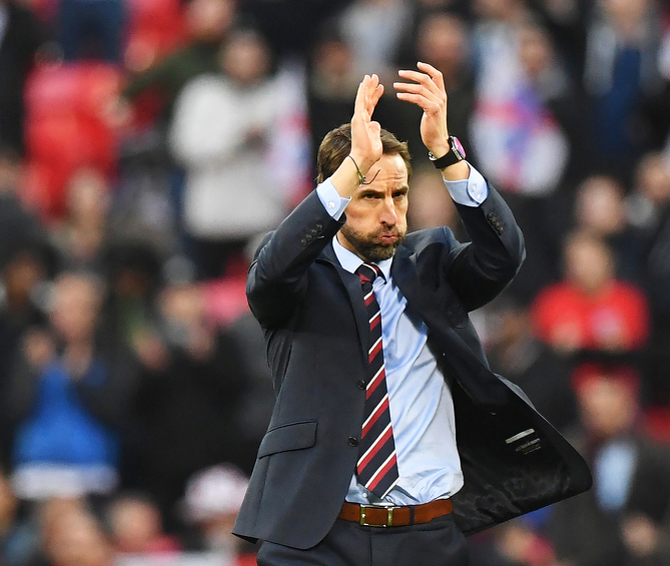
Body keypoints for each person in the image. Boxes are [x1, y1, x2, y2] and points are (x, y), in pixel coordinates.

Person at [232, 63, 591, 565]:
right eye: (369, 195)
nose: (389, 213)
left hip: (427, 537)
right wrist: (350, 169)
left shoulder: (433, 263)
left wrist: (447, 155)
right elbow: (268, 274)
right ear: (335, 198)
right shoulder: (298, 275)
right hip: (316, 537)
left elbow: (503, 254)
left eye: (398, 195)